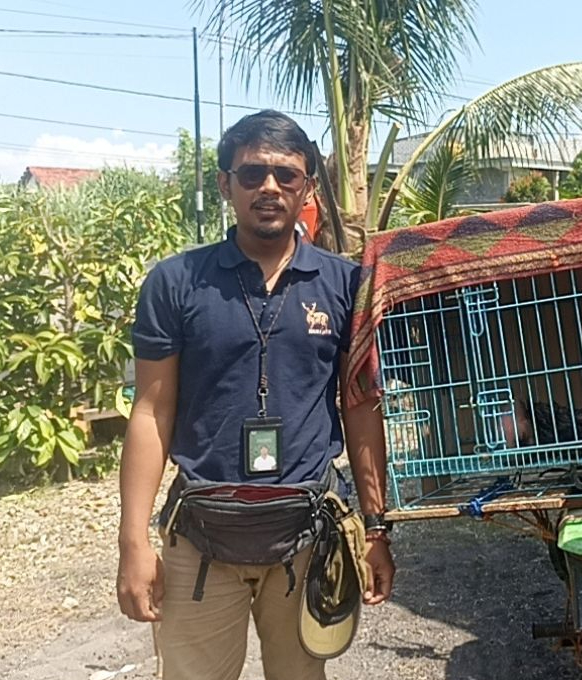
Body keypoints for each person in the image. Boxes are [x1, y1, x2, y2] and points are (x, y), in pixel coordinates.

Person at [115, 109, 395, 680]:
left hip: (307, 534)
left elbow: (361, 408)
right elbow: (151, 411)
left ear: (307, 187)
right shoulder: (175, 283)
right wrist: (133, 543)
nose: (269, 187)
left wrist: (375, 527)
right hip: (200, 537)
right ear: (225, 184)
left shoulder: (344, 285)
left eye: (286, 175)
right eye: (252, 174)